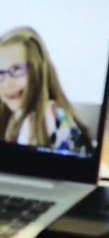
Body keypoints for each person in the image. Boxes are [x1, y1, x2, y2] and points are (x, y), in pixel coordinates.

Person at [0, 27, 91, 156]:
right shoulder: (46, 112)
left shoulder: (42, 118)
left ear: (38, 72)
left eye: (16, 69)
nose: (7, 83)